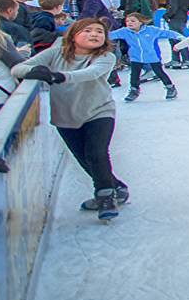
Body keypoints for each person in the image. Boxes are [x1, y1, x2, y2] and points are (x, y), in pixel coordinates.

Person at [13, 18, 124, 220]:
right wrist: (33, 71)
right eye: (87, 30)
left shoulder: (105, 56)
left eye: (99, 32)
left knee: (96, 154)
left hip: (98, 110)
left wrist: (58, 76)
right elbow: (17, 69)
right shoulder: (56, 53)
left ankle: (105, 197)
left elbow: (91, 73)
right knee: (83, 159)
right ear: (73, 36)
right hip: (65, 115)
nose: (94, 34)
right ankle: (115, 186)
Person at [108, 11, 182, 101]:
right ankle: (134, 90)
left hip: (152, 56)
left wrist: (179, 37)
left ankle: (170, 88)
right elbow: (111, 35)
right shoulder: (125, 31)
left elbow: (167, 33)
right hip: (135, 57)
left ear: (141, 22)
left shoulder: (151, 30)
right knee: (134, 75)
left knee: (159, 73)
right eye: (127, 21)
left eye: (132, 21)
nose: (129, 23)